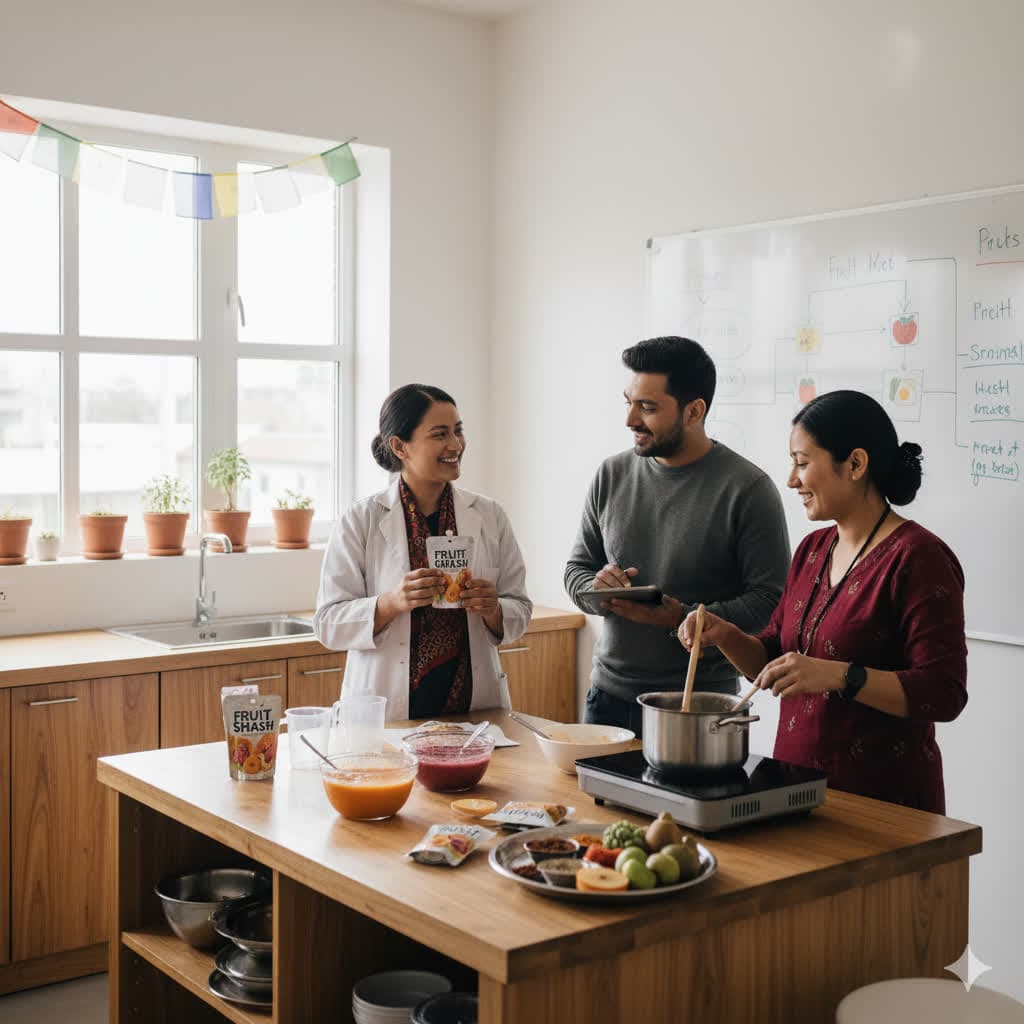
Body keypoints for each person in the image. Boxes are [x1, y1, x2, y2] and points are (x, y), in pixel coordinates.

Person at [679, 390, 967, 813]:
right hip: (795, 791)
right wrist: (725, 635)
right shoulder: (813, 549)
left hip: (885, 806)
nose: (792, 480)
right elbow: (772, 661)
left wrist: (840, 676)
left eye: (801, 462)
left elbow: (944, 693)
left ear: (855, 464)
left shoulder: (918, 557)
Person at [564, 336, 791, 734]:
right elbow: (577, 569)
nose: (630, 420)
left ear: (694, 411)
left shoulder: (748, 489)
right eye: (629, 402)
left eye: (648, 408)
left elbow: (771, 602)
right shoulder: (611, 474)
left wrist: (681, 618)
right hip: (607, 699)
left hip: (701, 706)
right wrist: (597, 590)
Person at [314, 384, 532, 721]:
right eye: (440, 434)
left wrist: (494, 610)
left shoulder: (489, 515)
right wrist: (390, 603)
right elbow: (328, 624)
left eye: (458, 431)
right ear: (400, 446)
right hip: (386, 710)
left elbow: (519, 607)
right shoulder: (361, 519)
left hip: (473, 709)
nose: (456, 445)